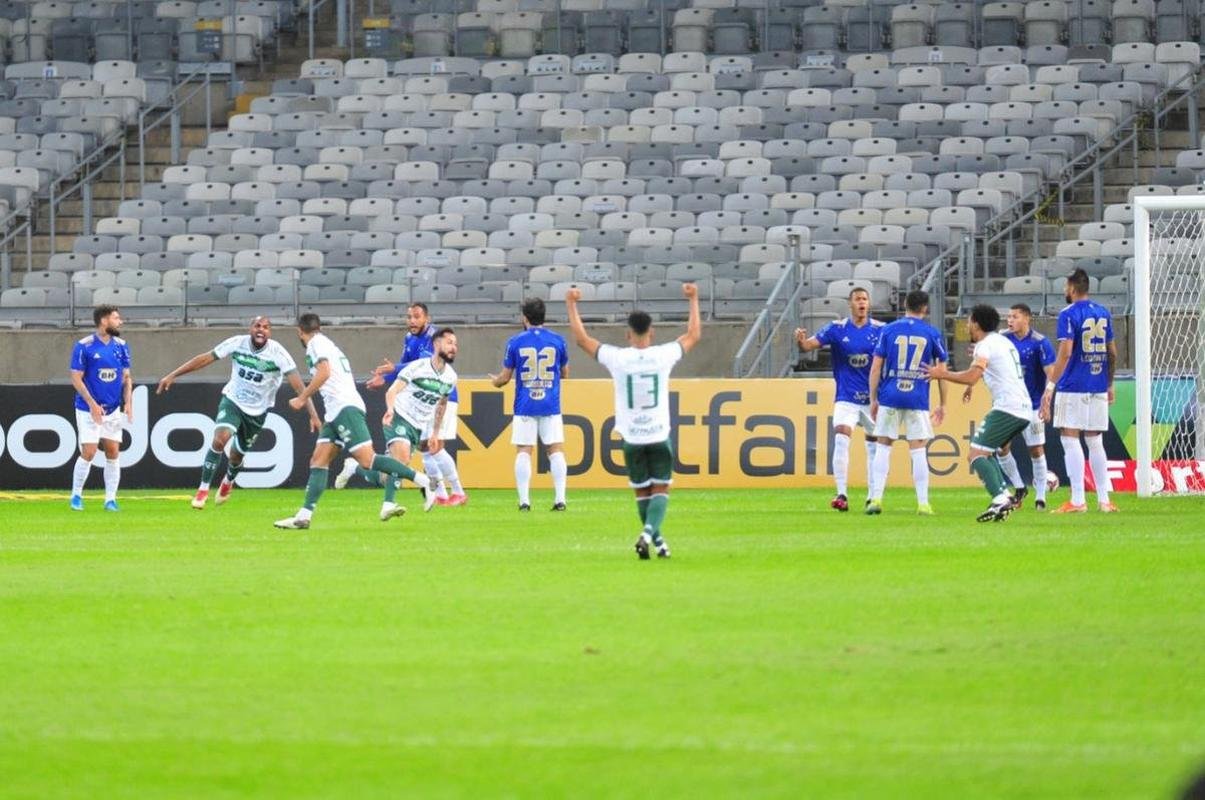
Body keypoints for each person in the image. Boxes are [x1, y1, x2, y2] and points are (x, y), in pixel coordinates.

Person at [565, 282, 701, 559]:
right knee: (661, 488)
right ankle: (649, 535)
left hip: (632, 436)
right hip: (658, 433)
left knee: (642, 493)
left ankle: (658, 544)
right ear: (651, 332)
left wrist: (571, 304)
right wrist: (694, 298)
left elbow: (582, 339)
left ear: (628, 334)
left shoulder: (618, 358)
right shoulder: (663, 354)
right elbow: (693, 334)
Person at [274, 314, 433, 530]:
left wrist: (303, 398)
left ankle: (423, 481)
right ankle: (304, 516)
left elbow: (324, 372)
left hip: (344, 407)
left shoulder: (315, 344)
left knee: (368, 460)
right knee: (318, 460)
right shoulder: (327, 343)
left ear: (299, 332)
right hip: (335, 411)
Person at [156, 316, 320, 510]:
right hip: (233, 400)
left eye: (266, 327)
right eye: (257, 326)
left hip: (257, 411)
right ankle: (203, 489)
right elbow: (205, 358)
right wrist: (172, 375)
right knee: (220, 439)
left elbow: (299, 386)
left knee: (236, 456)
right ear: (251, 328)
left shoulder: (278, 353)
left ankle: (229, 480)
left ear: (270, 332)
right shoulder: (237, 343)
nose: (261, 330)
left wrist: (313, 414)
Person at [924, 305, 1034, 522]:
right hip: (1022, 407)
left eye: (968, 321)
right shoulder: (1002, 341)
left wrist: (941, 373)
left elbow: (973, 375)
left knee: (975, 455)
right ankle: (1003, 497)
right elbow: (993, 371)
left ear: (976, 323)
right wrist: (971, 385)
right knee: (987, 451)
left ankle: (1000, 498)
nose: (966, 325)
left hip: (1008, 407)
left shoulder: (985, 345)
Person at [351, 302, 466, 506]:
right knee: (425, 448)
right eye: (409, 317)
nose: (412, 321)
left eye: (417, 316)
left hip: (441, 396)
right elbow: (407, 372)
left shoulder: (433, 339)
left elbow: (421, 367)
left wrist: (392, 369)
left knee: (435, 447)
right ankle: (439, 493)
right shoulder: (409, 338)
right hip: (422, 399)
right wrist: (386, 379)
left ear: (426, 319)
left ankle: (457, 491)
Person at [794, 286, 885, 511]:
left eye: (865, 299)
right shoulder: (837, 328)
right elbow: (808, 346)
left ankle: (873, 496)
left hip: (873, 399)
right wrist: (801, 341)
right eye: (858, 299)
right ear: (850, 304)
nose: (862, 303)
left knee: (874, 446)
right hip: (846, 397)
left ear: (869, 304)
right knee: (842, 437)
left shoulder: (882, 330)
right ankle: (841, 494)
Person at [1040, 268, 1120, 513]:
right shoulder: (1103, 313)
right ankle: (1104, 500)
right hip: (1097, 384)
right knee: (1096, 441)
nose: (1065, 291)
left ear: (1073, 288)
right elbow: (1112, 352)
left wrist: (1050, 386)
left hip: (1073, 385)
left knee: (1069, 437)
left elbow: (1065, 352)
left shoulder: (1068, 314)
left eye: (1066, 287)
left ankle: (1077, 500)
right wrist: (1109, 383)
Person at [866, 290, 948, 516]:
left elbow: (875, 367)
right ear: (925, 309)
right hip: (917, 396)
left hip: (890, 394)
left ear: (904, 304)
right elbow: (941, 371)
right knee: (918, 448)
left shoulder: (888, 330)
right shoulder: (932, 333)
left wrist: (873, 399)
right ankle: (923, 503)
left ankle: (876, 499)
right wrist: (943, 403)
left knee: (883, 445)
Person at [489, 297, 571, 511]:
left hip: (525, 405)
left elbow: (505, 377)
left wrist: (495, 381)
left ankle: (525, 501)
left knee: (524, 450)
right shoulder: (558, 340)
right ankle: (560, 499)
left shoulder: (515, 341)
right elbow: (565, 373)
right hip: (550, 404)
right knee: (555, 449)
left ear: (524, 317)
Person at [380, 328, 459, 518]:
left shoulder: (451, 377)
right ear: (436, 344)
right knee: (402, 459)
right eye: (449, 343)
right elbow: (391, 391)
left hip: (418, 426)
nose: (454, 348)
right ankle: (391, 502)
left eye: (456, 344)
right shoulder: (417, 367)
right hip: (399, 416)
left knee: (387, 474)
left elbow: (441, 405)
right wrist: (390, 410)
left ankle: (356, 467)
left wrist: (435, 433)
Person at [69, 304, 132, 511]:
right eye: (116, 318)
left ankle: (110, 500)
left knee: (113, 451)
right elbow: (76, 378)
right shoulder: (84, 346)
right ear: (104, 320)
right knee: (89, 450)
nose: (120, 321)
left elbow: (126, 377)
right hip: (88, 409)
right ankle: (76, 496)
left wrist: (128, 403)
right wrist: (92, 404)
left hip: (112, 409)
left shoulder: (121, 345)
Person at [998, 303, 1057, 510]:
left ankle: (1040, 497)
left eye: (1014, 316)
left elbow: (1051, 373)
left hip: (1032, 405)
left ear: (1027, 318)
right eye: (1009, 316)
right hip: (1009, 406)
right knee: (1001, 447)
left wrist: (1047, 399)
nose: (1010, 320)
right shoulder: (1003, 339)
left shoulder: (1040, 343)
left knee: (1036, 449)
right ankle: (1019, 487)